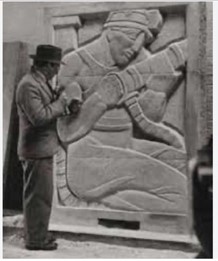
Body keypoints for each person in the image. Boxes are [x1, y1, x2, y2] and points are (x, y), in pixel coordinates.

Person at [56, 10, 188, 213]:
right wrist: (99, 100)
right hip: (89, 159)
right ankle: (109, 204)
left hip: (126, 145)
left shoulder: (141, 58)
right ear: (109, 31)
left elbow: (151, 119)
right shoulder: (75, 63)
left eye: (142, 41)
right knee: (182, 195)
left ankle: (117, 200)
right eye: (132, 37)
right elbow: (65, 132)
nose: (136, 48)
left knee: (186, 168)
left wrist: (158, 91)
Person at [16, 45, 77, 250]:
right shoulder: (28, 85)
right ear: (48, 65)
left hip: (42, 148)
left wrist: (67, 108)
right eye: (56, 66)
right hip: (36, 150)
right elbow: (40, 117)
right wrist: (60, 103)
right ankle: (35, 240)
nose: (58, 70)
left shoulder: (40, 82)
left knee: (40, 197)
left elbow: (49, 111)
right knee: (38, 198)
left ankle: (37, 234)